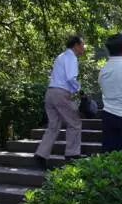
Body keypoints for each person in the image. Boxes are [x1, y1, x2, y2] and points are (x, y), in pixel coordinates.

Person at [34, 35, 86, 169]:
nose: (84, 48)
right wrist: (80, 90)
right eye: (83, 45)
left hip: (50, 93)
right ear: (76, 45)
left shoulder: (61, 56)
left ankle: (40, 155)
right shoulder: (71, 57)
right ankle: (72, 155)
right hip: (61, 93)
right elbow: (70, 78)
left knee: (53, 126)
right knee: (74, 123)